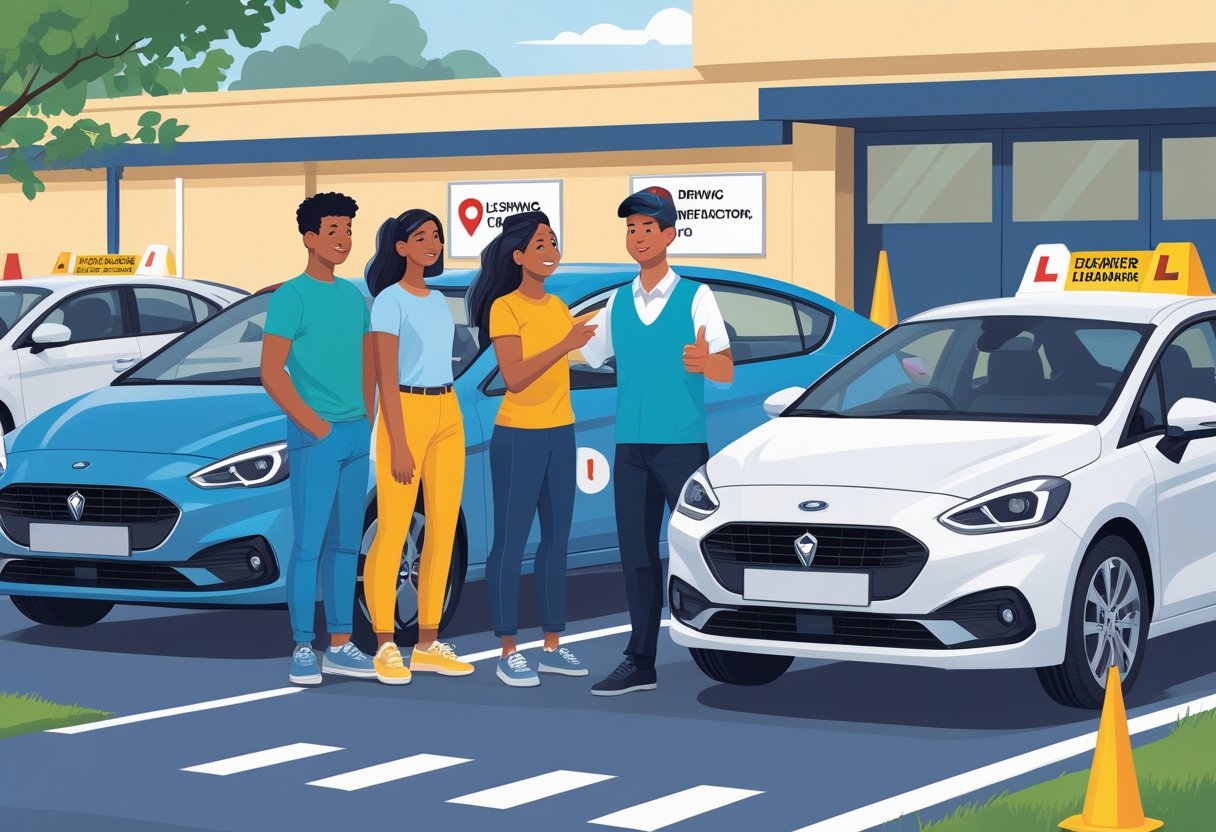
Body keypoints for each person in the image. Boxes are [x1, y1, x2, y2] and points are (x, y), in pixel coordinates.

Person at [581, 186, 734, 696]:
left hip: (681, 446)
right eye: (631, 229)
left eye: (648, 228)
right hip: (632, 448)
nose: (639, 237)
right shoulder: (617, 302)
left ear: (669, 235)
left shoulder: (696, 297)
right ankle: (639, 658)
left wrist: (704, 362)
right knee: (637, 555)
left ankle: (727, 642)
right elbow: (587, 353)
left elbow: (726, 369)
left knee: (698, 547)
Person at [466, 212, 597, 687]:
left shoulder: (560, 306)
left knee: (557, 540)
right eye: (540, 244)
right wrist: (566, 343)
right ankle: (507, 649)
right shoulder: (506, 307)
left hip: (561, 431)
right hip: (519, 434)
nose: (550, 251)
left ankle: (552, 645)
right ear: (518, 256)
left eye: (553, 242)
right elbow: (515, 377)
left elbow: (576, 361)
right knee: (511, 542)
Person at [261, 191, 377, 686]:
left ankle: (341, 643)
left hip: (356, 435)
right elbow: (271, 371)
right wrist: (316, 425)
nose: (344, 240)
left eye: (348, 231)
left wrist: (368, 421)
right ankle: (302, 646)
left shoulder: (354, 296)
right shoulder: (292, 295)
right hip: (317, 436)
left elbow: (370, 362)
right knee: (308, 544)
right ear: (310, 238)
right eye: (333, 232)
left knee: (347, 543)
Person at [362, 209, 474, 685]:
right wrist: (399, 441)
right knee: (392, 531)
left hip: (448, 410)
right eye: (421, 237)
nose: (432, 243)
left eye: (437, 236)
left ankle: (428, 643)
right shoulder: (388, 301)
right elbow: (386, 375)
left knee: (441, 531)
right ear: (400, 247)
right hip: (404, 412)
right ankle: (386, 644)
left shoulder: (436, 300)